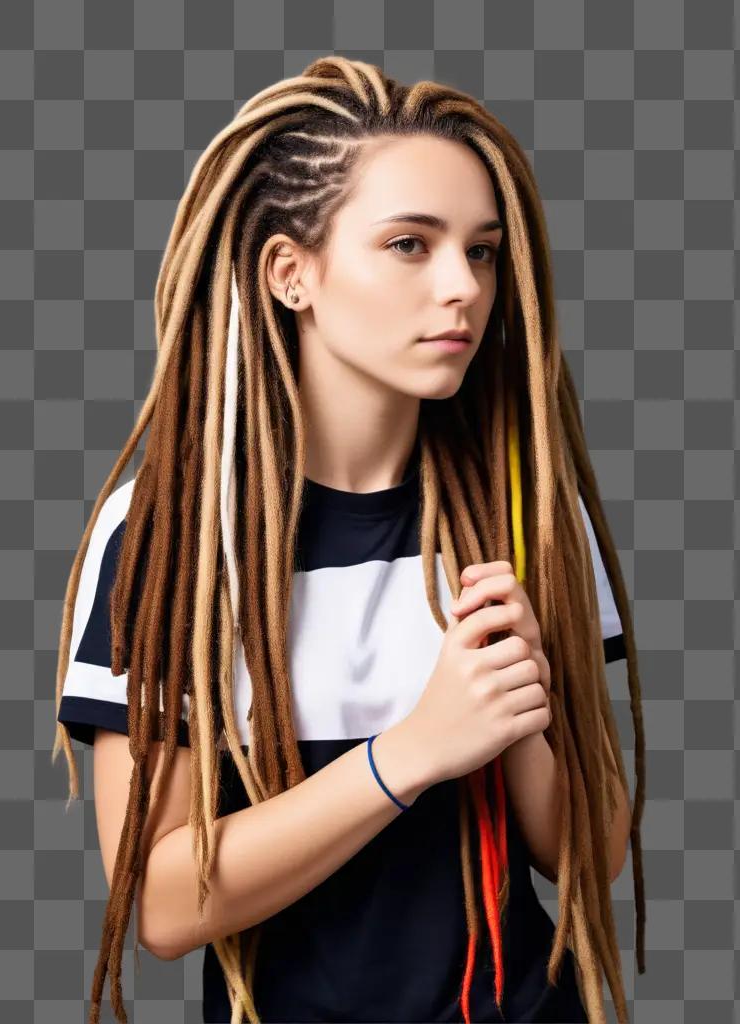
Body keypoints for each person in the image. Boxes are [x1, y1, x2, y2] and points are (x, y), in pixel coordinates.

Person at [52, 56, 646, 1024]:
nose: (461, 285)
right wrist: (411, 751)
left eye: (483, 250)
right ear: (293, 273)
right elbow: (161, 903)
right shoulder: (176, 539)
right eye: (410, 244)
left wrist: (524, 706)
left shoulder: (524, 505)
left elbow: (592, 853)